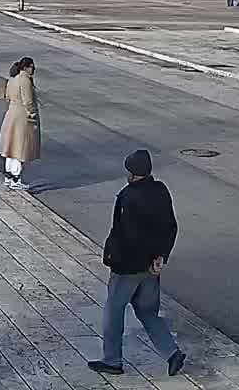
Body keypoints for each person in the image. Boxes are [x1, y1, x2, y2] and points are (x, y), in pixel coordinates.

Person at [90, 149, 187, 378]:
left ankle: (112, 361)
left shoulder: (128, 197)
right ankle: (172, 353)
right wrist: (160, 257)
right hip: (152, 267)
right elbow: (170, 226)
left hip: (128, 267)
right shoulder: (161, 191)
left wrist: (115, 261)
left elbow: (126, 236)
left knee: (114, 313)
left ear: (132, 173)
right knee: (148, 313)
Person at [0, 57, 41, 189]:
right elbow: (28, 101)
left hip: (11, 114)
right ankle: (16, 180)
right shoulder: (24, 79)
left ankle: (9, 177)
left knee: (10, 148)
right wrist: (32, 114)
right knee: (19, 148)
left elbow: (7, 97)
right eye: (32, 67)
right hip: (22, 117)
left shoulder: (12, 78)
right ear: (27, 67)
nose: (33, 70)